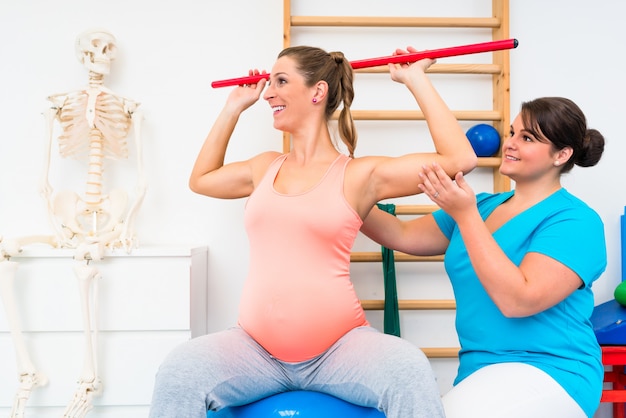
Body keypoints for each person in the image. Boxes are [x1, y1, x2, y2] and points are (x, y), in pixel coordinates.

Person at [148, 45, 477, 418]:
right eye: (269, 82)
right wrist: (233, 108)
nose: (268, 92)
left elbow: (459, 160)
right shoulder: (264, 168)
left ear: (317, 92)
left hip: (340, 350)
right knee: (178, 373)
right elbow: (201, 180)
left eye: (281, 81)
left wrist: (415, 79)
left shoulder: (358, 175)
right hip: (255, 350)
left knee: (409, 370)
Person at [361, 96, 607, 418]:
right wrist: (341, 191)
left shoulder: (576, 221)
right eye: (512, 133)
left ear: (562, 155)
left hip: (552, 371)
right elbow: (400, 234)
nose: (511, 144)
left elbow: (519, 300)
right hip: (480, 372)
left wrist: (465, 216)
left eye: (527, 138)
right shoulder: (481, 206)